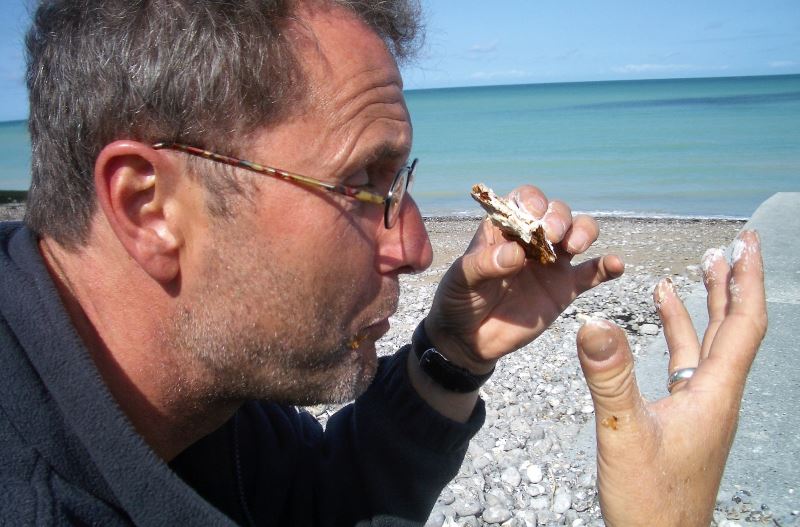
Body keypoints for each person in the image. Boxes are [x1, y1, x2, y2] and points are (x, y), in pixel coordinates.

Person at [0, 0, 766, 525]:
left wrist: (453, 352)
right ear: (149, 207)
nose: (417, 247)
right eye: (362, 184)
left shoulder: (203, 396)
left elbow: (319, 500)